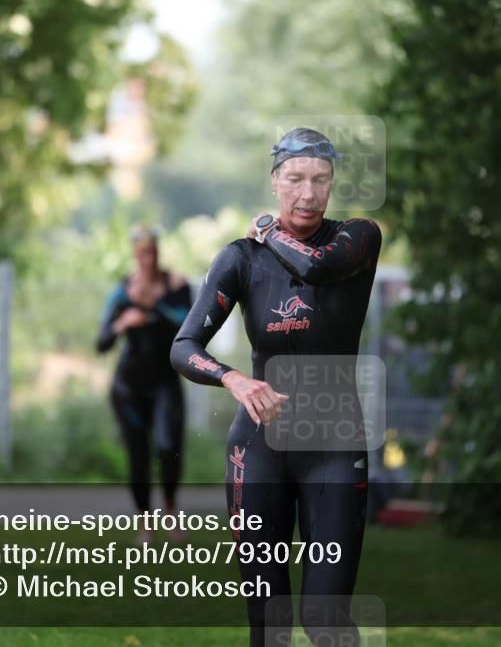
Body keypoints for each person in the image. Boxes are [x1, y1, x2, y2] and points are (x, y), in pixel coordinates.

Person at [170, 128, 382, 646]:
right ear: (274, 181)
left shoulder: (356, 238)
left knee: (325, 620)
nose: (307, 194)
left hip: (334, 444)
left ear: (331, 185)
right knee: (270, 624)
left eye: (320, 180)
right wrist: (233, 377)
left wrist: (268, 230)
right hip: (258, 446)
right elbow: (184, 345)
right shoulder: (240, 258)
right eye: (294, 180)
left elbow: (318, 265)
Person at [96, 227, 192, 542]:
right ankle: (144, 524)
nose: (147, 259)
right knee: (138, 455)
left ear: (158, 252)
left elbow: (189, 326)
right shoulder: (123, 291)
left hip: (165, 382)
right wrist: (123, 322)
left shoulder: (176, 285)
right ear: (135, 255)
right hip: (129, 388)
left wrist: (152, 306)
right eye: (141, 253)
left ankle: (170, 510)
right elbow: (102, 342)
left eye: (151, 252)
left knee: (168, 448)